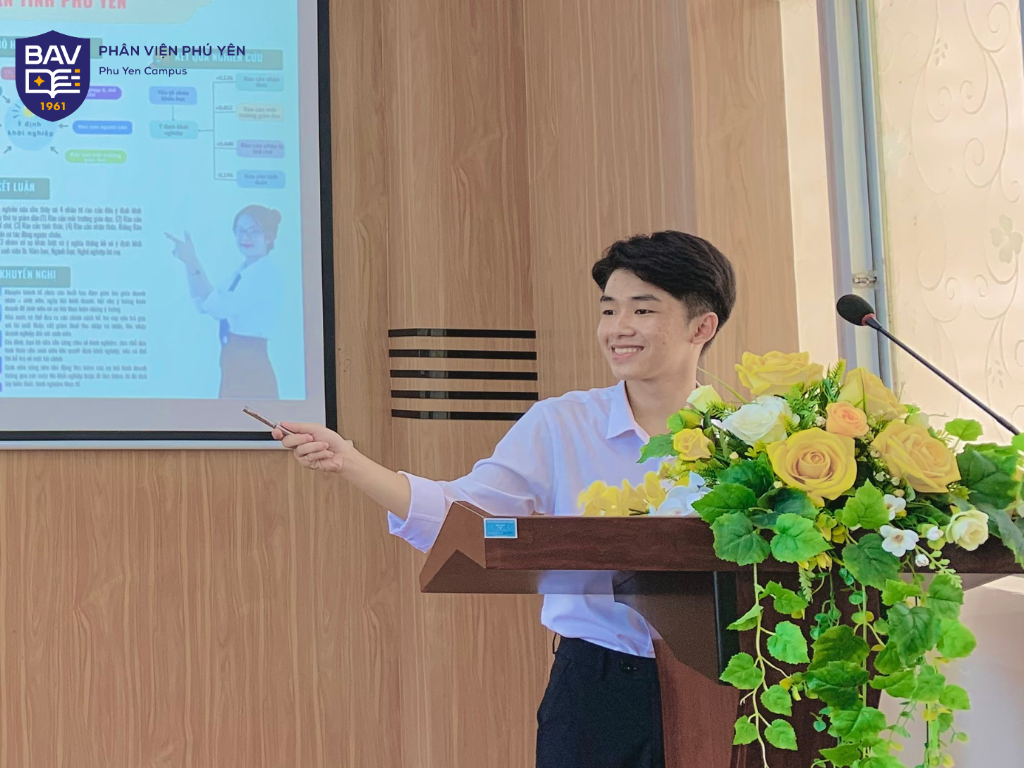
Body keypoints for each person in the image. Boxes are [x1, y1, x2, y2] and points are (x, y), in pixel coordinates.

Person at [275, 231, 737, 768]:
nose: (618, 328)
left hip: (730, 684)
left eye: (643, 309)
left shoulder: (751, 438)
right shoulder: (561, 424)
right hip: (598, 685)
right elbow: (463, 516)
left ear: (702, 327)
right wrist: (350, 462)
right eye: (609, 310)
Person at [167, 204, 283, 399]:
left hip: (251, 363)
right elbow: (204, 302)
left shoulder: (265, 274)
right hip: (234, 359)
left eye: (253, 231)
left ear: (269, 237)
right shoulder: (242, 271)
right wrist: (188, 262)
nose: (245, 237)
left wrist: (193, 260)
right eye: (240, 231)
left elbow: (218, 308)